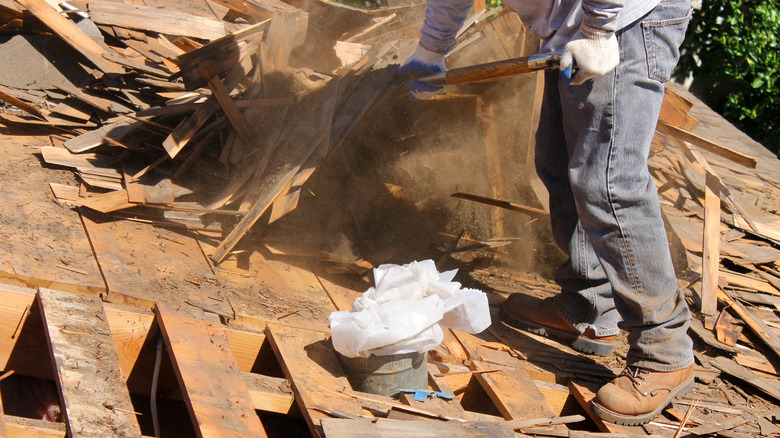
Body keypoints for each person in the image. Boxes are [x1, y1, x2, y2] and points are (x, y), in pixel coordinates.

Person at [398, 0, 695, 426]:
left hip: (627, 18)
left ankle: (665, 351)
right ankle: (588, 306)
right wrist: (431, 49)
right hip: (579, 22)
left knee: (609, 182)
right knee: (557, 162)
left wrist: (598, 31)